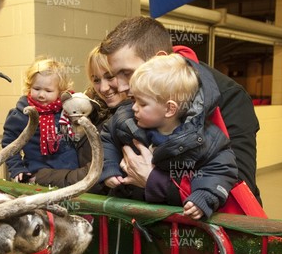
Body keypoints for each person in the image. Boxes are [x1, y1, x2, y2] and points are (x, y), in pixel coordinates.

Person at [99, 16, 261, 205]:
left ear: (158, 59)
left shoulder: (230, 97)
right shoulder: (136, 96)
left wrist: (154, 181)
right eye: (114, 75)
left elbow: (236, 186)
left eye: (126, 73)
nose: (120, 87)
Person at [101, 54, 238, 220]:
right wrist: (109, 167)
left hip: (168, 222)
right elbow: (107, 136)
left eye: (142, 103)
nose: (134, 107)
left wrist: (204, 196)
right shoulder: (125, 119)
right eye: (133, 99)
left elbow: (221, 170)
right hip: (126, 216)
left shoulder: (207, 140)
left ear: (169, 109)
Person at [32, 46, 131, 193]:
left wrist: (41, 177)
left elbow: (95, 175)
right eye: (96, 80)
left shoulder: (132, 118)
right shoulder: (91, 108)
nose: (103, 88)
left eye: (110, 76)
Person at [2, 57, 78, 183]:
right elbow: (9, 145)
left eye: (48, 91)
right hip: (38, 175)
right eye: (37, 89)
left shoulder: (67, 111)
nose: (41, 95)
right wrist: (17, 168)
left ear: (60, 92)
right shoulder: (21, 114)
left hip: (69, 174)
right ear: (29, 87)